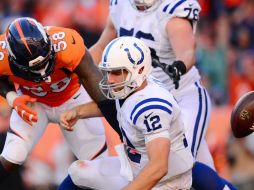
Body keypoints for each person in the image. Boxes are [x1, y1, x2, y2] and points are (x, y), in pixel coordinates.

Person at [87, 0, 237, 189]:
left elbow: (187, 51)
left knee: (178, 165)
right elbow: (101, 47)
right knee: (194, 166)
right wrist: (74, 69)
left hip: (181, 95)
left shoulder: (172, 9)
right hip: (141, 95)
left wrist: (179, 67)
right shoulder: (120, 6)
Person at [59, 36, 194, 190]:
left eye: (116, 72)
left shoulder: (151, 106)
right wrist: (78, 111)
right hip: (134, 168)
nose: (109, 79)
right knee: (79, 171)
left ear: (140, 70)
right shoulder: (137, 85)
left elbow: (158, 166)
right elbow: (119, 106)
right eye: (108, 72)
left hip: (165, 183)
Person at [0, 17, 110, 182]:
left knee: (98, 166)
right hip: (33, 102)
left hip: (72, 98)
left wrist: (121, 126)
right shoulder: (2, 55)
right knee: (12, 156)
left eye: (44, 62)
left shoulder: (67, 45)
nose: (42, 73)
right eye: (34, 68)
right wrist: (12, 97)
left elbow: (104, 98)